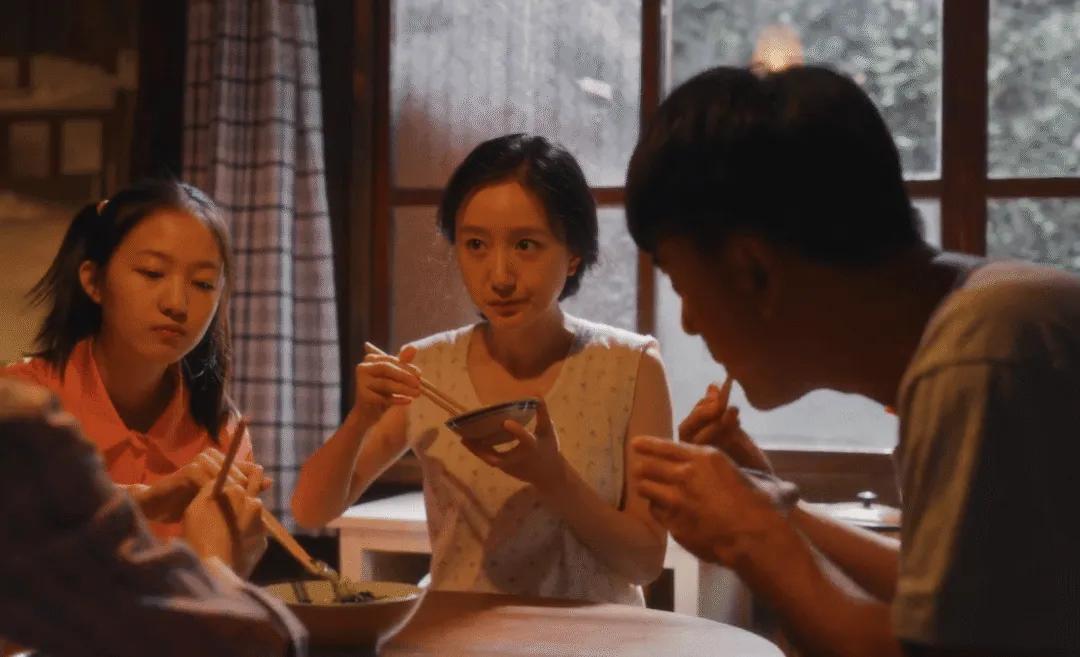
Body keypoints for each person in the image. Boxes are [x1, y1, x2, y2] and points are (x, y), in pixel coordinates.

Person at [625, 65, 1080, 657]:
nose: (687, 321)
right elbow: (945, 599)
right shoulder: (994, 309)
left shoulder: (977, 358)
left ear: (753, 272)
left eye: (682, 285)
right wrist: (773, 504)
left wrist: (750, 535)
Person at [293, 134, 673, 605]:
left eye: (526, 245)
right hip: (460, 633)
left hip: (597, 636)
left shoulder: (631, 366)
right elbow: (311, 510)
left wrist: (553, 478)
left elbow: (644, 561)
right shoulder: (426, 369)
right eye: (475, 244)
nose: (499, 276)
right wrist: (359, 419)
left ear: (574, 252)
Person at [0, 179, 268, 569]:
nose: (177, 303)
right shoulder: (21, 403)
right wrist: (146, 502)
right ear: (94, 281)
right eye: (152, 272)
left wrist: (235, 561)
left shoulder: (220, 432)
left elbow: (223, 581)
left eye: (203, 283)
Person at [0, 376, 307, 657]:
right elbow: (242, 641)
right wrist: (215, 566)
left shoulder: (217, 418)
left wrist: (141, 502)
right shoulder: (27, 421)